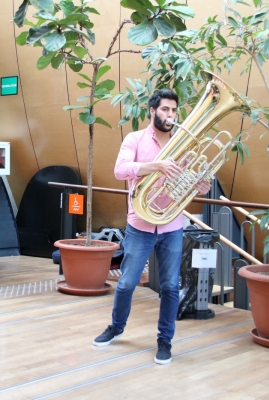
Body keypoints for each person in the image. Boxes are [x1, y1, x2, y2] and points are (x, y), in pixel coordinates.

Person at [92, 89, 212, 364]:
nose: (170, 116)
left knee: (170, 286)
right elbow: (120, 170)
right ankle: (116, 327)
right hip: (140, 224)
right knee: (126, 284)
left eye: (173, 111)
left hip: (171, 225)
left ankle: (164, 341)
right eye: (165, 110)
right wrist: (155, 166)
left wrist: (200, 186)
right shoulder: (135, 139)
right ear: (152, 111)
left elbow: (189, 183)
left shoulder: (183, 144)